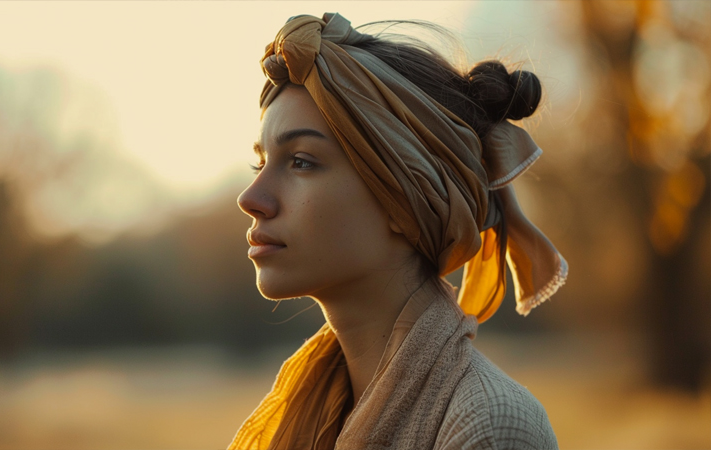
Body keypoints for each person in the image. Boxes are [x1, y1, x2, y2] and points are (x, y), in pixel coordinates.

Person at [230, 12, 568, 450]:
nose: (251, 197)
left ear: (405, 198)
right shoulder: (318, 414)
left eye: (302, 161)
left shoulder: (491, 427)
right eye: (261, 163)